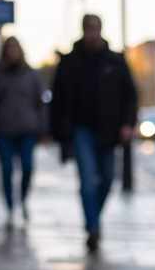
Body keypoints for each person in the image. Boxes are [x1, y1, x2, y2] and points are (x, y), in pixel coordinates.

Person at [50, 14, 137, 254]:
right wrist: (57, 132)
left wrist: (128, 123)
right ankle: (92, 227)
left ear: (100, 30)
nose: (91, 32)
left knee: (108, 179)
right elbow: (58, 100)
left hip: (108, 131)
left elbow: (129, 95)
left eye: (95, 28)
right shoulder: (70, 62)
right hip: (81, 130)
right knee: (88, 179)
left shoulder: (115, 61)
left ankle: (94, 220)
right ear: (82, 30)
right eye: (87, 28)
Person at [0, 36, 45, 228]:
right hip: (3, 130)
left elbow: (40, 104)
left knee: (28, 168)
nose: (12, 51)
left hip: (27, 130)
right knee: (6, 169)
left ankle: (22, 199)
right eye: (9, 48)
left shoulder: (31, 75)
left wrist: (43, 128)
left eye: (15, 47)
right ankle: (9, 207)